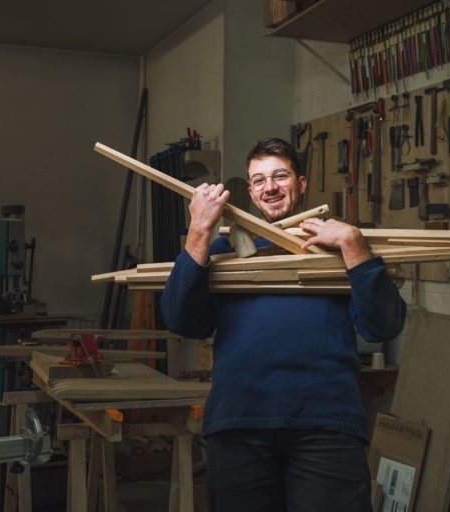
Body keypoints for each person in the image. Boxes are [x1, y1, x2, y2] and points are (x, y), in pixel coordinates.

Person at [160, 137, 407, 512]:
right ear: (250, 190)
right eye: (258, 180)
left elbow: (384, 327)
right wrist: (199, 232)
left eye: (280, 176)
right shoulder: (224, 252)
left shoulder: (337, 250)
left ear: (302, 183)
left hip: (327, 424)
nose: (269, 187)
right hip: (239, 421)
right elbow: (182, 321)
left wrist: (354, 245)